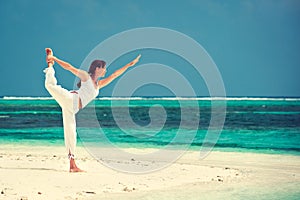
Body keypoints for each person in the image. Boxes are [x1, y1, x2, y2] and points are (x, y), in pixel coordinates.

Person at [44, 48, 141, 172]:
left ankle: (72, 165)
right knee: (50, 85)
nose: (106, 70)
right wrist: (55, 59)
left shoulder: (98, 85)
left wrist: (130, 64)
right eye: (104, 68)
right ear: (97, 68)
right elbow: (69, 67)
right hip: (70, 99)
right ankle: (50, 64)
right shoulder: (86, 77)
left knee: (71, 134)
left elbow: (115, 75)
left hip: (73, 109)